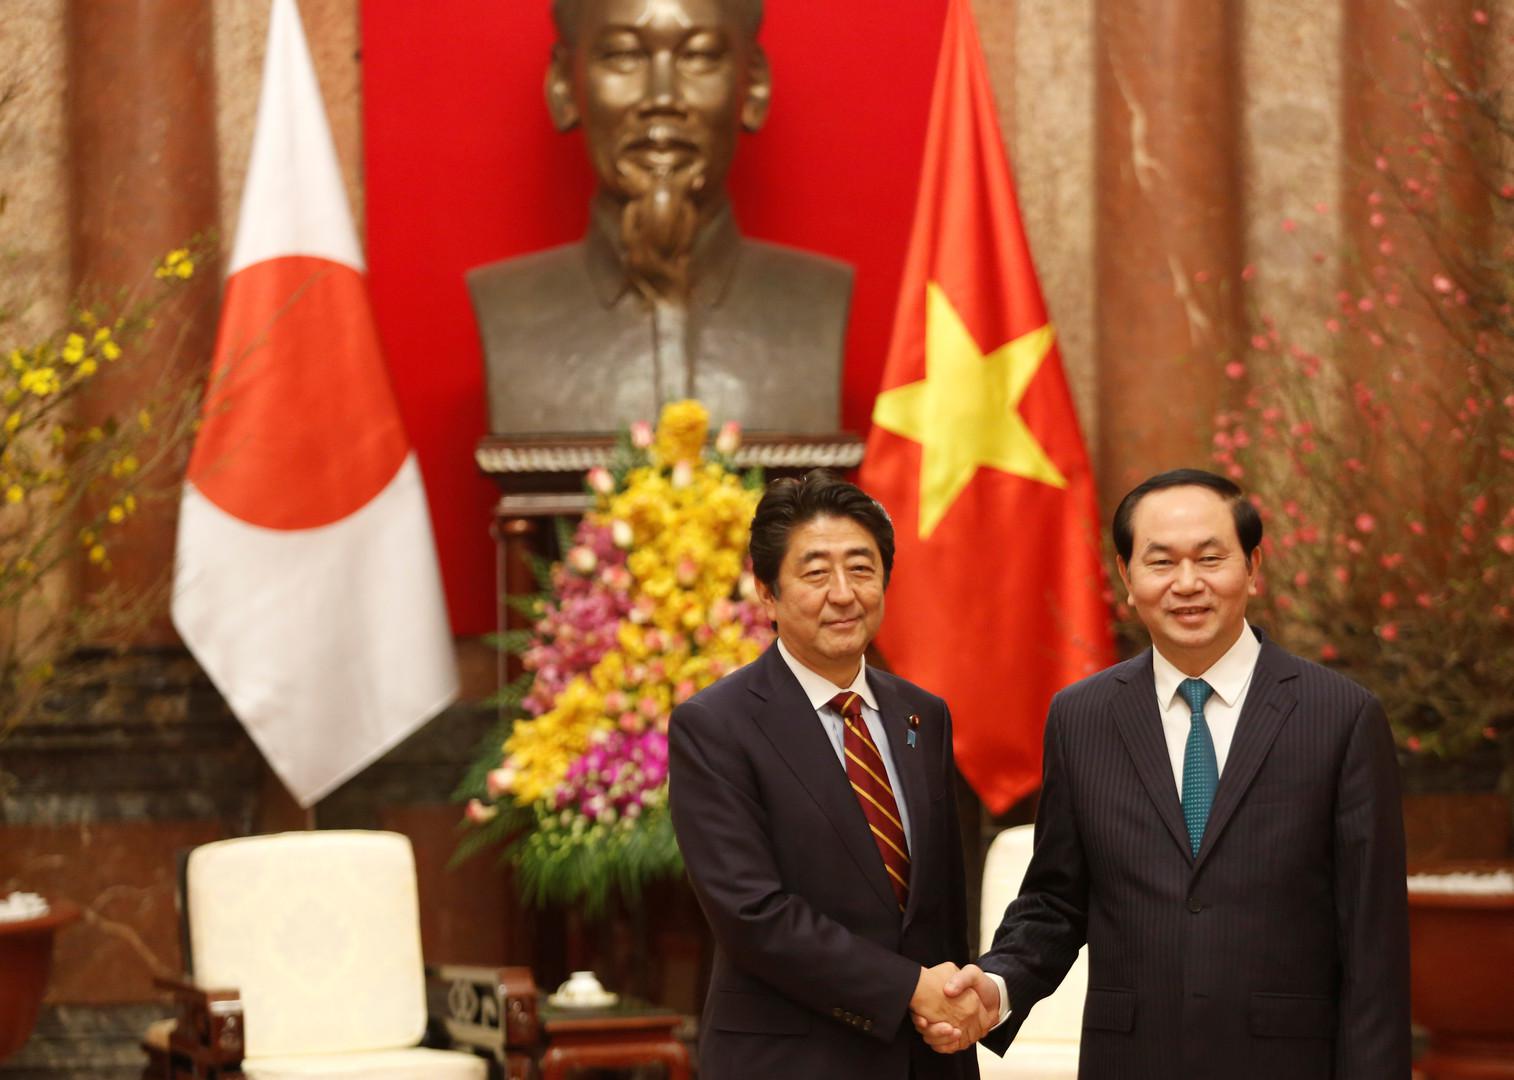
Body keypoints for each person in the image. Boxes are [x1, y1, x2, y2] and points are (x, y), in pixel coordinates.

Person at [921, 467, 1410, 1079]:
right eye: (1161, 562)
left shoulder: (1340, 716)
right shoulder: (1083, 717)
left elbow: (1374, 942)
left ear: (1253, 567)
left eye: (1210, 558)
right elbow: (1054, 899)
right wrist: (996, 986)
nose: (1187, 584)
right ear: (1127, 577)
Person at [669, 471, 989, 1078]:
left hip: (926, 1058)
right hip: (790, 1057)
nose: (843, 593)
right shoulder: (716, 725)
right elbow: (752, 916)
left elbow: (941, 904)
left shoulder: (923, 714)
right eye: (815, 573)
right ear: (767, 591)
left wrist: (950, 1011)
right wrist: (907, 990)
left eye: (861, 569)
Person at [468, 0, 851, 437]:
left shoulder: (818, 305)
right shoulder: (511, 312)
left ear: (754, 86)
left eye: (699, 56)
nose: (662, 98)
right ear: (563, 87)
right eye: (623, 56)